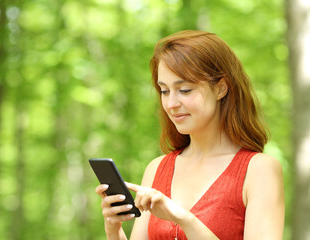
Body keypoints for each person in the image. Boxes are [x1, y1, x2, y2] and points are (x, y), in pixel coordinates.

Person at [95, 30, 285, 240]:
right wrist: (114, 230)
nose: (171, 104)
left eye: (184, 90)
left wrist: (183, 219)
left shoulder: (259, 170)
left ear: (221, 88)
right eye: (164, 91)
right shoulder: (157, 169)